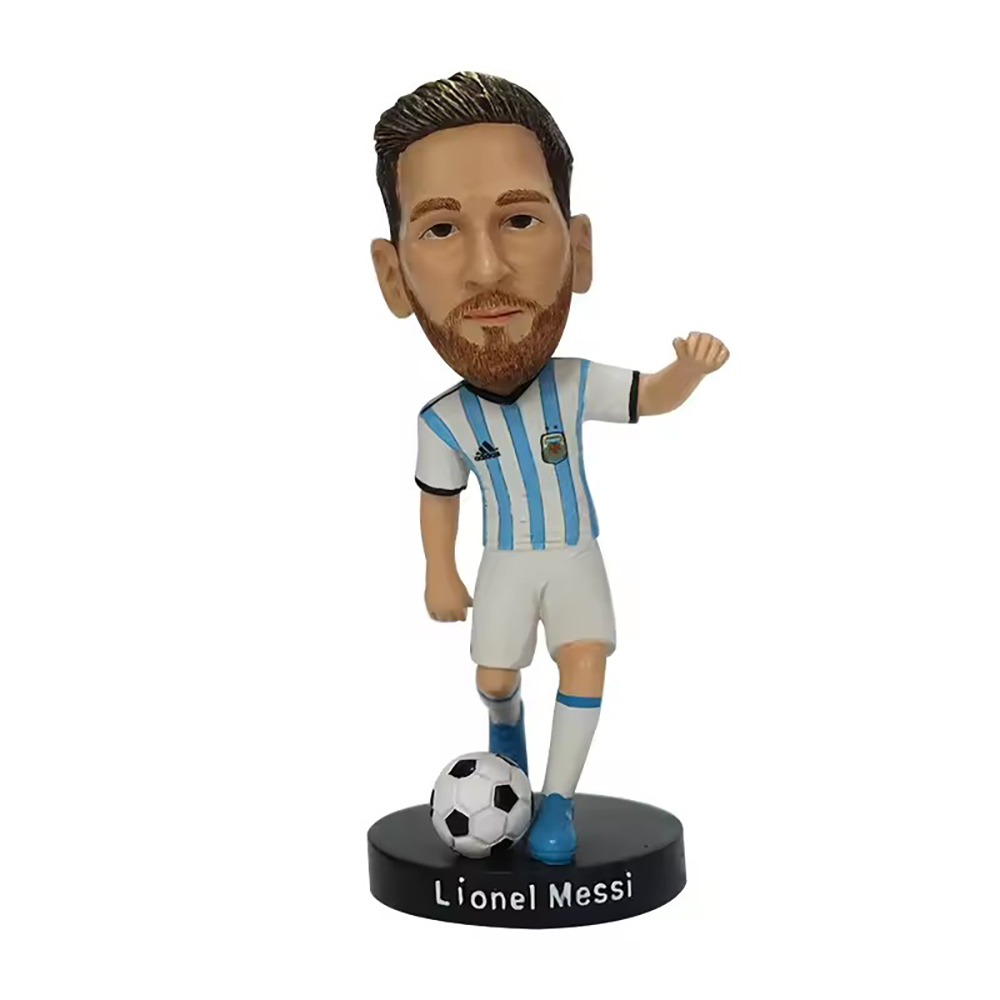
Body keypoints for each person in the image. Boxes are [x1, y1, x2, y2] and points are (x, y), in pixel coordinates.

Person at [370, 71, 729, 864]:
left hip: (572, 555)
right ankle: (505, 725)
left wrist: (687, 372)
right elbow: (439, 496)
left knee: (585, 659)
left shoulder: (575, 384)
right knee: (497, 673)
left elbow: (651, 396)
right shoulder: (444, 420)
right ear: (393, 277)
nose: (488, 269)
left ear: (580, 250)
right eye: (441, 229)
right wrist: (439, 570)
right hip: (506, 561)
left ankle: (557, 800)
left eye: (521, 219)